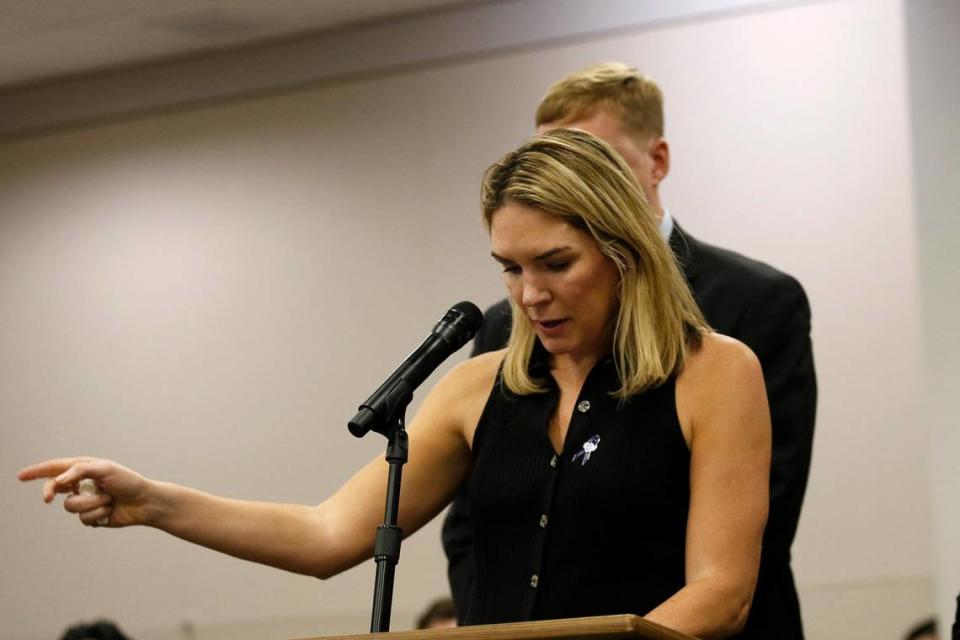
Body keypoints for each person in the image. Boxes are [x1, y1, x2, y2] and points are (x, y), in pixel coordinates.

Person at [20, 129, 771, 639]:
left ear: (623, 251)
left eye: (555, 263)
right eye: (509, 269)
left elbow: (723, 592)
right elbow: (328, 534)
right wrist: (153, 501)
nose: (529, 295)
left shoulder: (715, 374)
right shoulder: (477, 389)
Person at [442, 62, 816, 639]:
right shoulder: (506, 327)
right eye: (513, 270)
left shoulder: (754, 303)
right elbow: (472, 523)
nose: (534, 294)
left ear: (656, 161)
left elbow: (763, 514)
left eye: (595, 157)